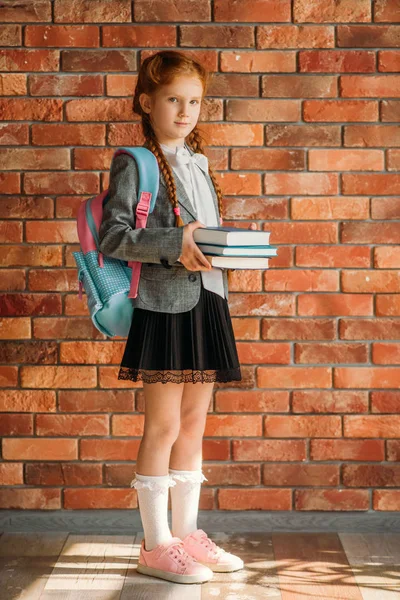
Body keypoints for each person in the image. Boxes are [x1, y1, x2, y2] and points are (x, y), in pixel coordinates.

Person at [98, 50, 256, 585]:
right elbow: (115, 236)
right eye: (173, 100)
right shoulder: (134, 162)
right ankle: (155, 543)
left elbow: (202, 235)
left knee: (194, 424)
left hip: (207, 301)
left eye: (194, 102)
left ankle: (187, 534)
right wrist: (176, 242)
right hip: (165, 308)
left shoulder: (199, 162)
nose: (185, 111)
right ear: (147, 103)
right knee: (163, 426)